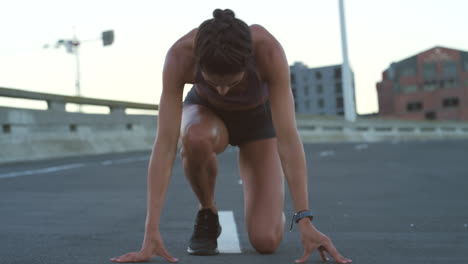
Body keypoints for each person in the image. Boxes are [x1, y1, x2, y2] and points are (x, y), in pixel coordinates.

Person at [110, 9, 352, 264]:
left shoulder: (268, 51)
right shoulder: (180, 55)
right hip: (205, 114)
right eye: (214, 84)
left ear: (248, 62)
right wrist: (151, 231)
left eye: (232, 84)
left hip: (258, 122)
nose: (223, 92)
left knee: (266, 241)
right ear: (199, 63)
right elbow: (165, 145)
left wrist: (304, 219)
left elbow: (289, 140)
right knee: (194, 136)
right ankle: (207, 211)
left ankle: (270, 205)